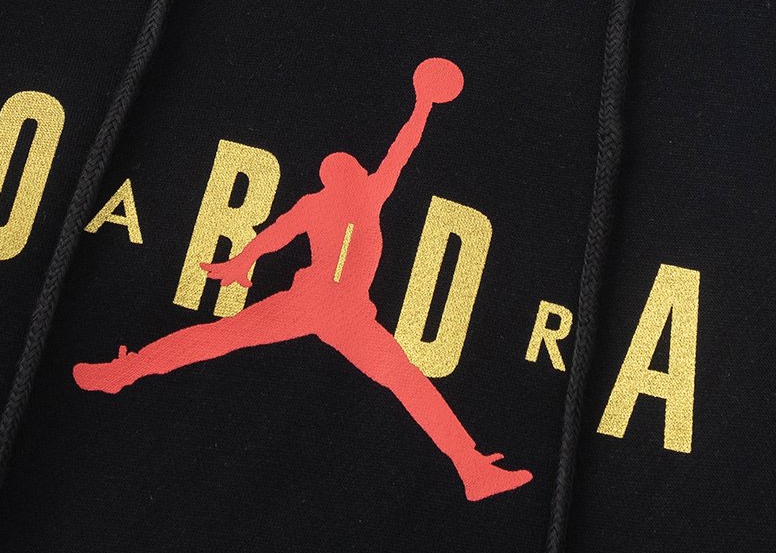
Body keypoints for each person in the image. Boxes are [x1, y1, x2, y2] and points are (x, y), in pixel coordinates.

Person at [71, 58, 530, 502]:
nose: (347, 173)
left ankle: (472, 469)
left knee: (404, 379)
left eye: (350, 169)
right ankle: (125, 371)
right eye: (339, 170)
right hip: (310, 301)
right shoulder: (322, 203)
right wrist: (243, 260)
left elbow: (402, 149)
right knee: (221, 337)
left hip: (348, 313)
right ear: (331, 179)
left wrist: (423, 105)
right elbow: (275, 233)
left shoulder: (370, 195)